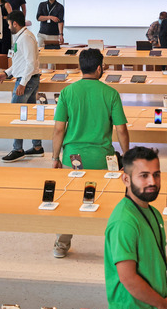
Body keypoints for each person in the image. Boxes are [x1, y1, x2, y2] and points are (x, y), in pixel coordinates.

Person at [51, 48, 130, 258]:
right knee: (110, 201)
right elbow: (121, 130)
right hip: (103, 159)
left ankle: (61, 245)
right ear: (99, 68)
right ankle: (116, 246)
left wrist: (55, 158)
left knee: (68, 201)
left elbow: (59, 129)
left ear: (80, 67)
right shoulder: (111, 94)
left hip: (72, 158)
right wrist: (127, 156)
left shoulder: (67, 92)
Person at [104, 147, 167, 309]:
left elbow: (163, 261)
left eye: (156, 175)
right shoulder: (124, 222)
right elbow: (128, 278)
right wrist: (164, 305)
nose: (152, 182)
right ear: (126, 179)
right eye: (144, 176)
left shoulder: (154, 213)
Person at [0, 11, 42, 162]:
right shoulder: (22, 36)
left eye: (9, 24)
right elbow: (19, 62)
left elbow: (31, 63)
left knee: (16, 114)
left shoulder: (26, 38)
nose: (9, 27)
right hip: (27, 79)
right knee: (30, 114)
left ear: (15, 23)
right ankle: (37, 147)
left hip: (26, 81)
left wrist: (22, 83)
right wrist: (6, 73)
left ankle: (18, 149)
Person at [0, 0, 13, 70]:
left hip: (5, 28)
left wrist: (3, 17)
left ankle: (7, 66)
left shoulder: (6, 4)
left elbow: (11, 15)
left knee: (5, 47)